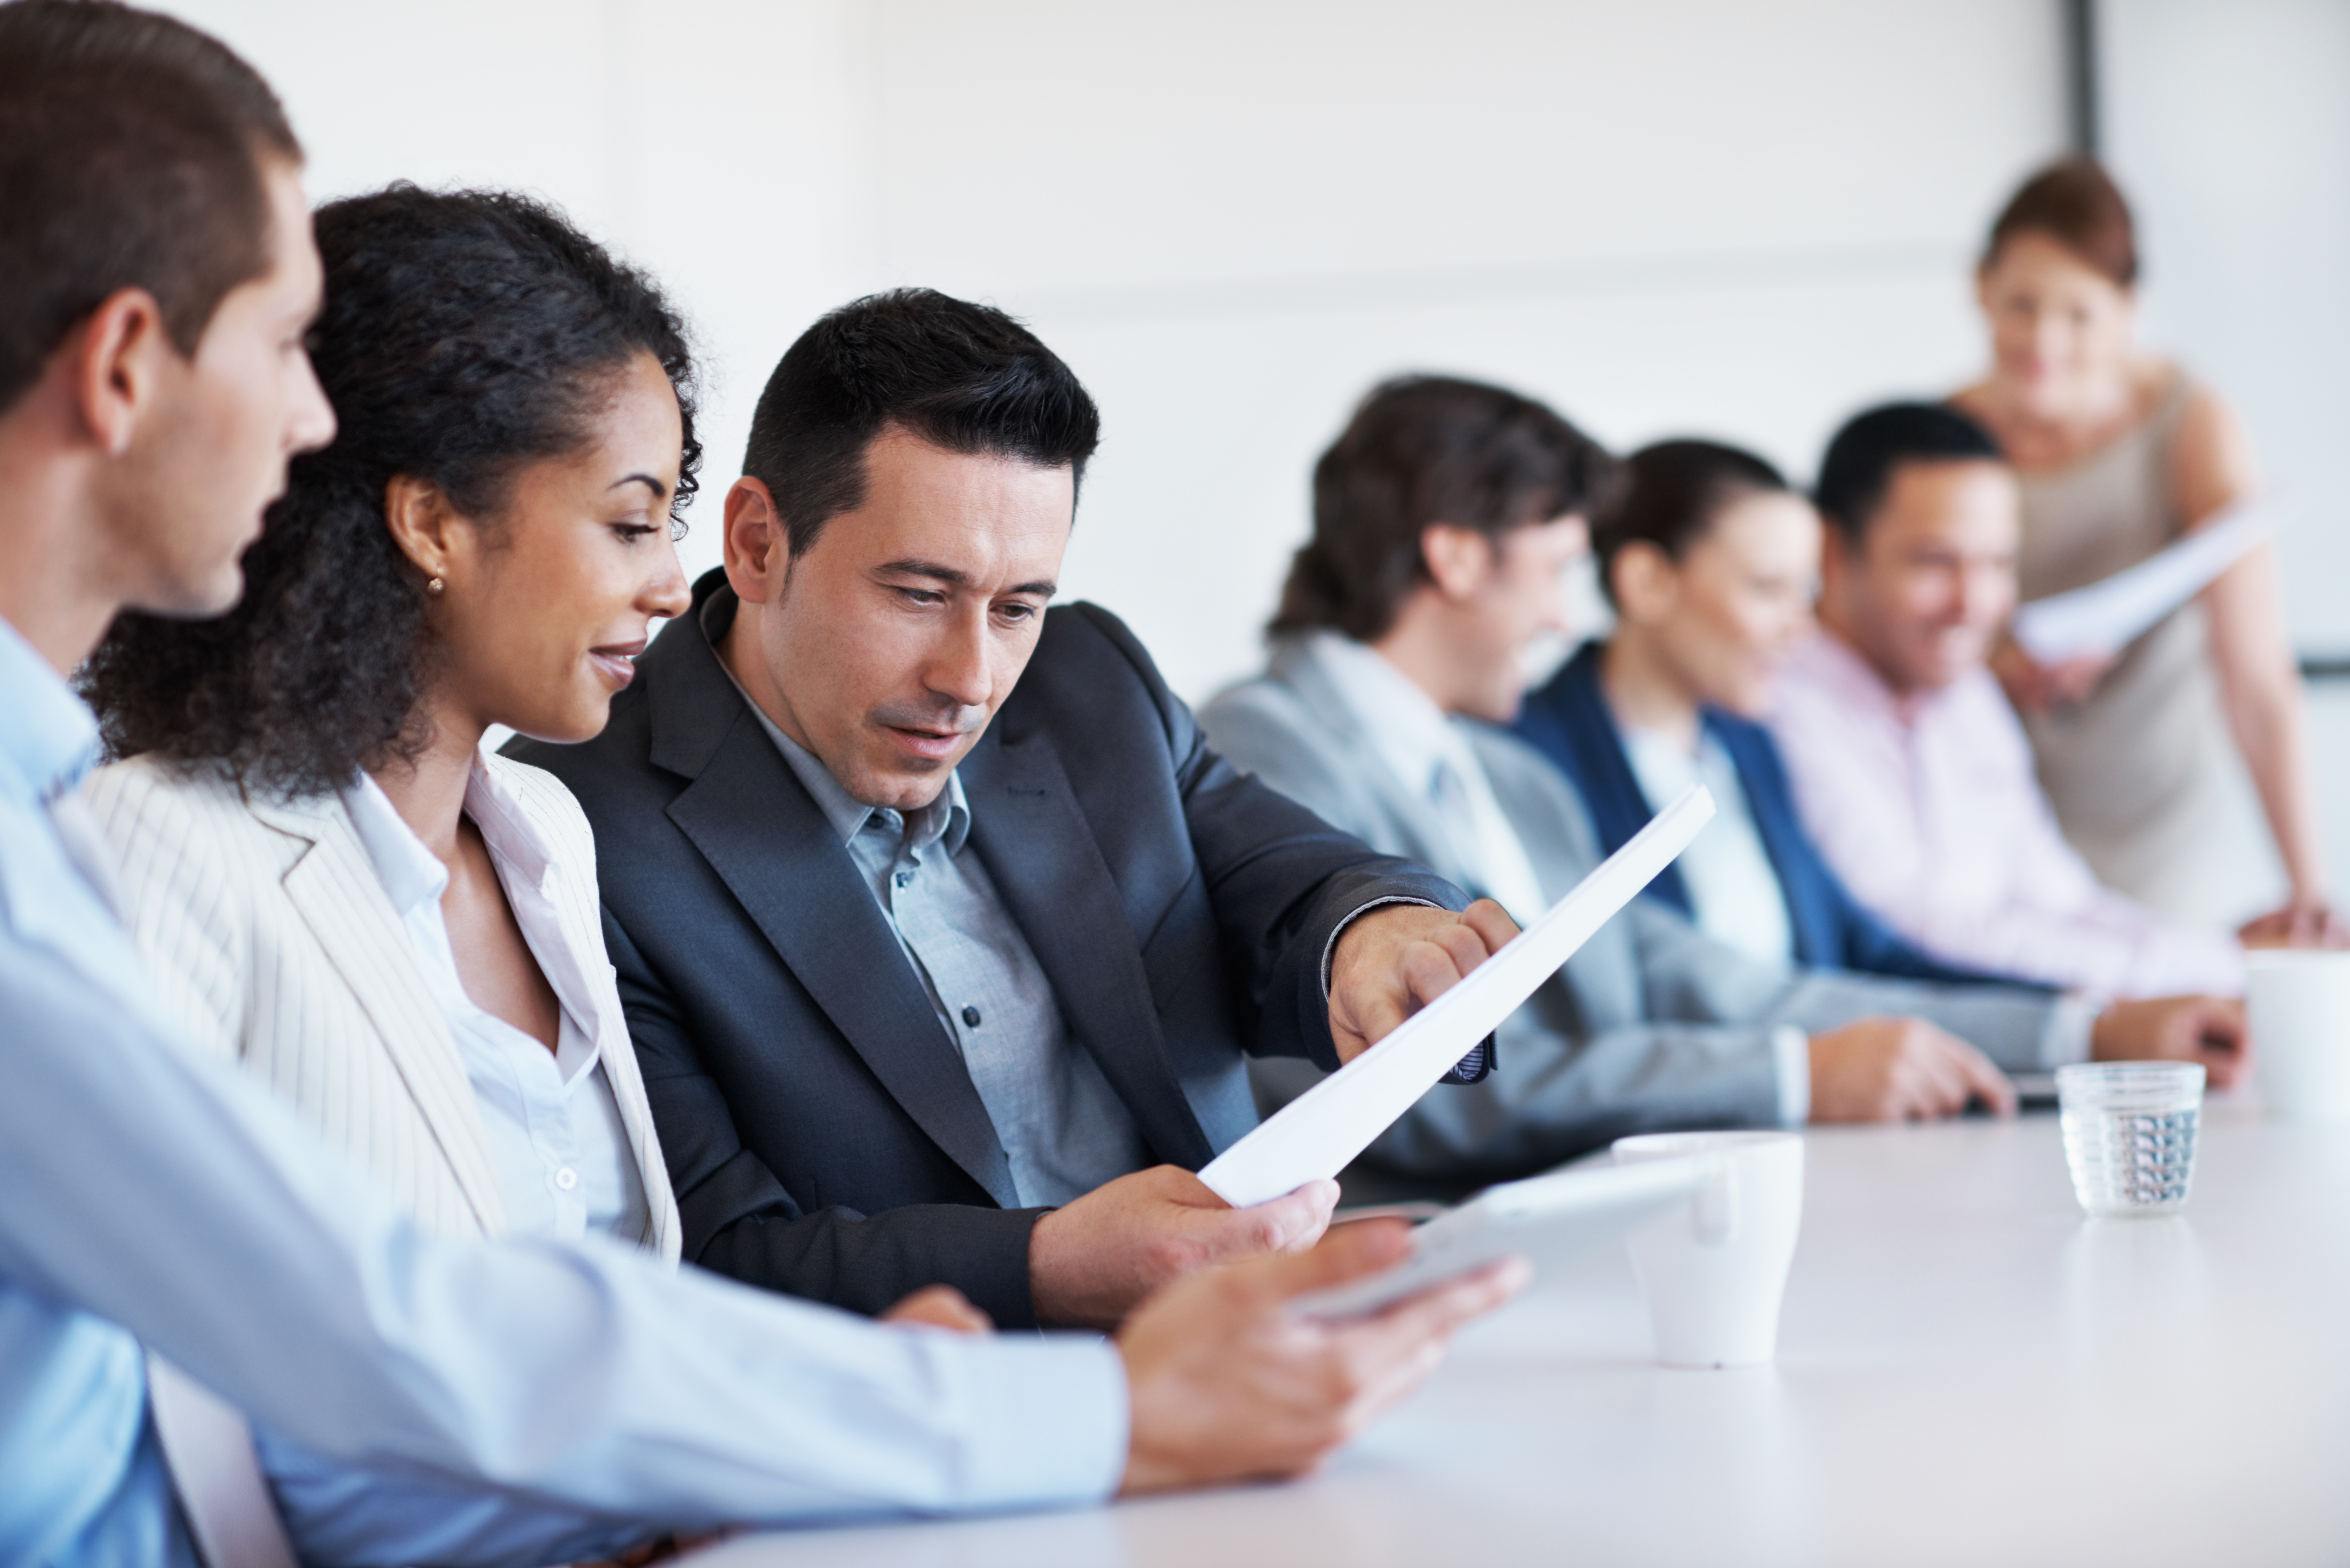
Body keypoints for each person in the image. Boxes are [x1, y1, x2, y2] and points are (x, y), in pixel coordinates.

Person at [0, 5, 1519, 1562]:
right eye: (629, 519)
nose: (303, 412)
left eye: (1018, 607)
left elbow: (585, 1314)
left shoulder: (532, 843)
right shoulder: (147, 846)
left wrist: (799, 1433)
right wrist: (1046, 1405)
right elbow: (349, 1369)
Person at [514, 288, 1516, 1331]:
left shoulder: (1090, 681)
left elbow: (1283, 880)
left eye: (1017, 606)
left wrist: (1374, 937)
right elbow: (710, 1256)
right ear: (759, 543)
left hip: (1246, 1349)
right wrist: (1048, 1265)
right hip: (924, 1432)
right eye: (917, 594)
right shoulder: (573, 829)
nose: (973, 677)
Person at [1201, 376, 2247, 1186]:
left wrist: (2076, 1034)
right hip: (1412, 1247)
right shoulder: (1265, 742)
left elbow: (1715, 981)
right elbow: (1427, 1092)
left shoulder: (1509, 777)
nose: (1573, 616)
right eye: (1562, 571)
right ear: (1459, 560)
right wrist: (1796, 1075)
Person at [1953, 157, 2335, 936]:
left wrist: (2309, 887)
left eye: (2078, 316)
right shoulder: (1943, 438)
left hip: (2158, 822)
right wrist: (1995, 664)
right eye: (2021, 306)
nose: (2043, 341)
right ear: (1981, 288)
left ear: (2130, 309)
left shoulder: (2190, 425)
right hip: (1993, 819)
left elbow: (2258, 683)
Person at [1767, 402, 2247, 1001]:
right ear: (1833, 552)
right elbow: (1916, 929)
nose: (1975, 602)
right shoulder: (1777, 707)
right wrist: (2188, 974)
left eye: (1997, 563)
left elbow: (2059, 899)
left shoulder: (1965, 694)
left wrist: (2230, 964)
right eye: (1935, 562)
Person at [1515, 438, 1989, 982]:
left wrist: (2070, 1017)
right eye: (1767, 589)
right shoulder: (1531, 760)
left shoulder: (1747, 744)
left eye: (1804, 593)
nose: (1800, 627)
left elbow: (1860, 947)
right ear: (1647, 582)